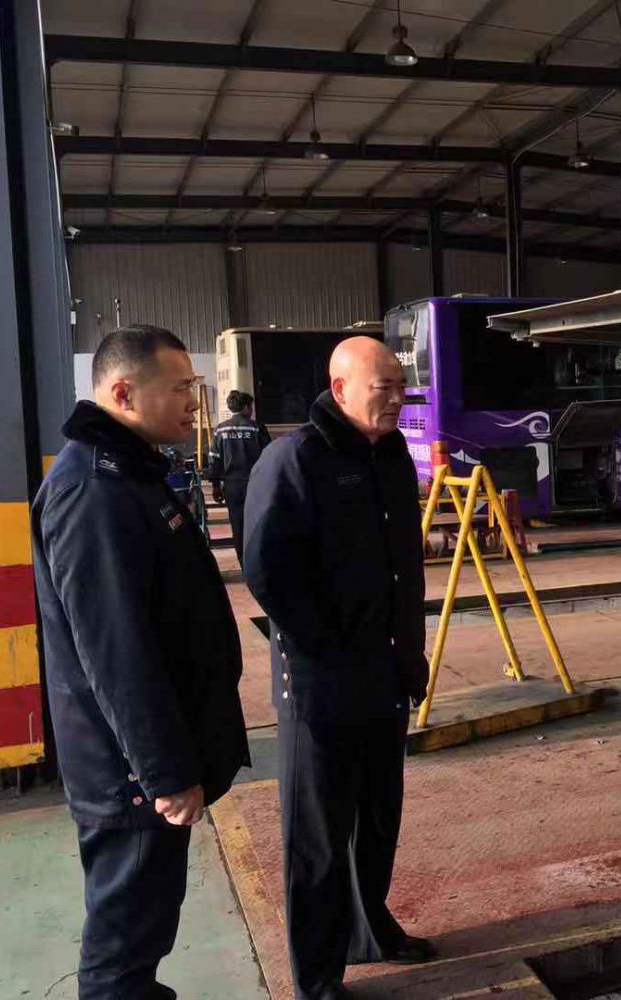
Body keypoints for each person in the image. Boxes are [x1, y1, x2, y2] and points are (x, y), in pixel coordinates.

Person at [31, 325, 250, 999]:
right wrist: (163, 773)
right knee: (122, 951)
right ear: (124, 393)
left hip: (142, 764)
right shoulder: (94, 491)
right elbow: (116, 653)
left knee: (144, 932)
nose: (193, 401)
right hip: (127, 772)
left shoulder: (132, 472)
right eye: (180, 387)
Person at [243, 336, 431, 1000]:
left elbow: (404, 567)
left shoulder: (391, 455)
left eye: (401, 386)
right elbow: (265, 569)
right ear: (341, 387)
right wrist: (326, 645)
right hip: (322, 682)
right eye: (384, 387)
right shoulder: (296, 458)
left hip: (385, 672)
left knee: (378, 817)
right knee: (319, 838)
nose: (397, 398)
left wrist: (410, 651)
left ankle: (368, 930)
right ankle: (317, 978)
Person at [206, 389, 272, 564]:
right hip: (256, 485)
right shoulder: (257, 428)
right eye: (251, 407)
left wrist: (215, 486)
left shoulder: (220, 430)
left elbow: (214, 459)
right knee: (260, 522)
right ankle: (260, 562)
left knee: (238, 525)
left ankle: (244, 564)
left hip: (232, 486)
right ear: (246, 407)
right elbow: (269, 457)